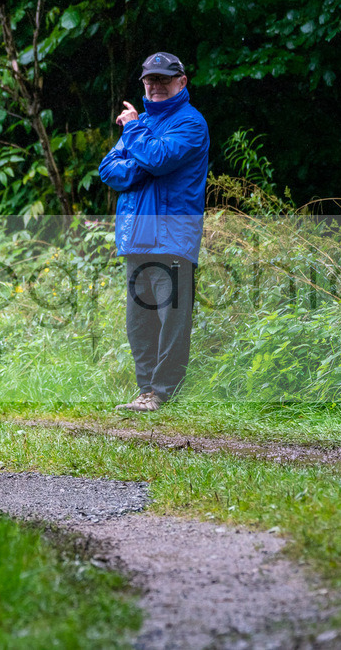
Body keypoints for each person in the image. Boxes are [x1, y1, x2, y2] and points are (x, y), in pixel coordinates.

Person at [98, 52, 210, 412]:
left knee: (172, 321)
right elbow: (108, 170)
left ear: (181, 81)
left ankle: (163, 394)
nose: (156, 85)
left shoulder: (190, 123)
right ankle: (145, 392)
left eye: (164, 78)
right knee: (139, 324)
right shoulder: (144, 123)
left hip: (173, 239)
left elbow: (159, 158)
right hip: (136, 238)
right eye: (150, 79)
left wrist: (134, 135)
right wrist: (144, 160)